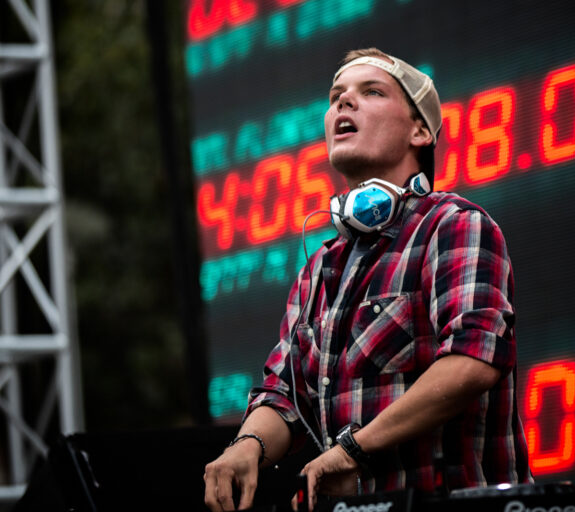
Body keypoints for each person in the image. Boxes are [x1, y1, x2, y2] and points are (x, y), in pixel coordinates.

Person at [203, 48, 532, 512]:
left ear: (420, 131)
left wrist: (353, 450)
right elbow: (284, 396)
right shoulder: (317, 269)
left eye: (372, 91)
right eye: (336, 96)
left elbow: (472, 360)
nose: (343, 102)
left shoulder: (454, 225)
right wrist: (246, 447)